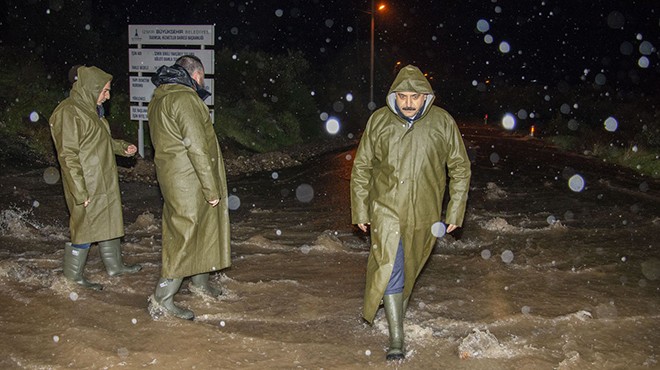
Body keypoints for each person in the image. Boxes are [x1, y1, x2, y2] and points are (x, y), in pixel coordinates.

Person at [350, 65, 471, 361]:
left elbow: (460, 168)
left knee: (409, 270)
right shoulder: (379, 121)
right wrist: (361, 209)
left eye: (414, 97)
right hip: (385, 210)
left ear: (426, 98)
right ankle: (397, 339)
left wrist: (455, 210)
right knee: (391, 267)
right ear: (394, 96)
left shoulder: (443, 123)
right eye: (402, 96)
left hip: (426, 215)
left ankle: (390, 312)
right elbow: (362, 168)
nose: (407, 102)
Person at [147, 55, 230, 320]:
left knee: (202, 228)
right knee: (185, 233)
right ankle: (161, 298)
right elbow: (196, 146)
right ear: (196, 76)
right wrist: (211, 188)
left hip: (174, 176)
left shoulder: (160, 97)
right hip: (189, 179)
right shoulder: (184, 99)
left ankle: (199, 282)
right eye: (202, 78)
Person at [49, 66, 142, 290]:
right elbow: (68, 155)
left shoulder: (91, 109)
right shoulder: (69, 112)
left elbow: (100, 141)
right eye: (105, 90)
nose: (108, 96)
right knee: (84, 229)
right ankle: (72, 278)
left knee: (109, 220)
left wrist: (122, 147)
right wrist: (79, 191)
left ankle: (115, 266)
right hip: (86, 183)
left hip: (103, 179)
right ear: (91, 88)